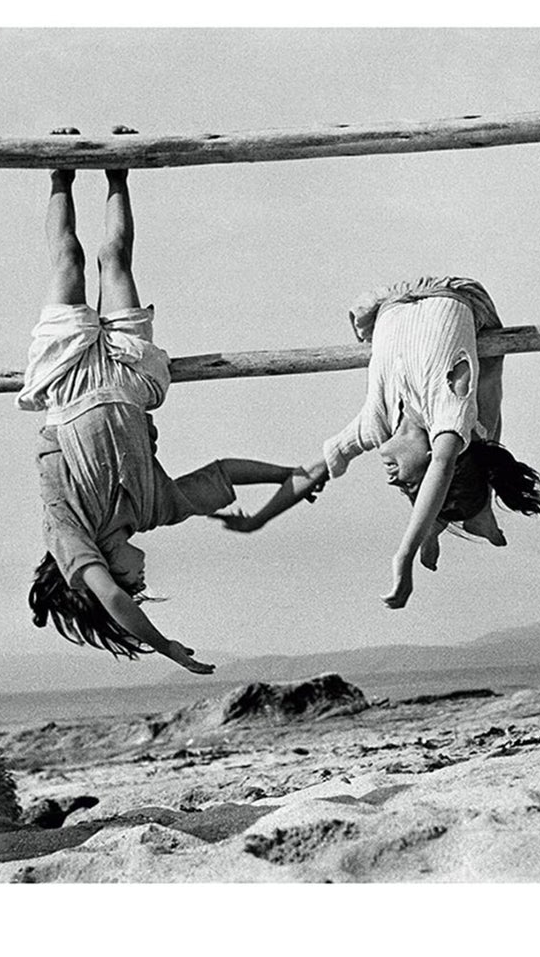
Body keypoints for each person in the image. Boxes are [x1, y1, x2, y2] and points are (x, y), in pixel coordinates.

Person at [19, 129, 322, 673]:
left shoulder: (70, 533)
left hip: (68, 383)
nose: (141, 576)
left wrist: (164, 647)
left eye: (134, 581)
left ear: (105, 572)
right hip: (131, 381)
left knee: (68, 260)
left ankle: (59, 173)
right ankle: (118, 171)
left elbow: (111, 602)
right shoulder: (156, 509)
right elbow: (223, 472)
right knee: (115, 261)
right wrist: (286, 473)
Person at [216, 276, 540, 610]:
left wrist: (259, 519)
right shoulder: (448, 419)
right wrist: (405, 556)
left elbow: (312, 471)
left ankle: (437, 523)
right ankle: (444, 520)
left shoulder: (375, 424)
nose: (393, 480)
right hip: (455, 293)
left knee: (475, 441)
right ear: (432, 456)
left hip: (390, 303)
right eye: (409, 483)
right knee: (484, 411)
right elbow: (443, 468)